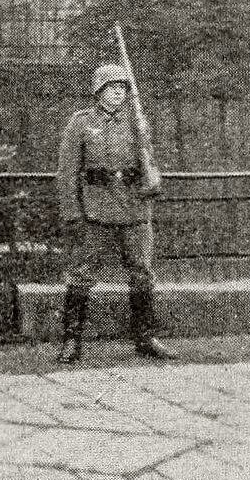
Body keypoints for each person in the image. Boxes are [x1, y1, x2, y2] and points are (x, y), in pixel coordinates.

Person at [56, 63, 176, 364]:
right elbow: (67, 172)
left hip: (134, 208)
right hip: (95, 209)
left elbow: (149, 162)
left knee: (142, 273)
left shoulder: (138, 122)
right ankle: (72, 340)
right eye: (111, 87)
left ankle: (146, 338)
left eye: (122, 88)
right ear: (98, 91)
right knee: (82, 274)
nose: (117, 93)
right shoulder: (81, 123)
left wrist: (153, 179)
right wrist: (73, 213)